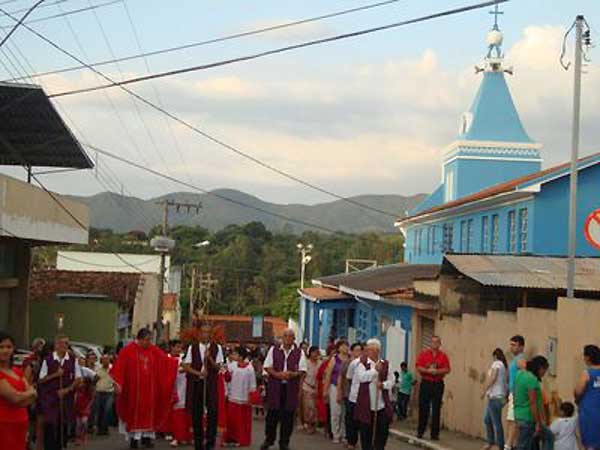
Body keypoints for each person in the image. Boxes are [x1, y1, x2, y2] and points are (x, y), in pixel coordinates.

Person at [110, 328, 178, 449]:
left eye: (150, 340)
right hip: (134, 391)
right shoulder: (128, 350)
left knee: (149, 415)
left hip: (150, 391)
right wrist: (118, 384)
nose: (149, 342)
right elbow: (119, 367)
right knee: (134, 415)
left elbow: (166, 361)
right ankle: (134, 440)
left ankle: (147, 438)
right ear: (139, 339)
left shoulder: (153, 349)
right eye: (147, 340)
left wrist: (177, 363)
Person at [260, 328, 307, 450]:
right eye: (285, 336)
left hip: (290, 387)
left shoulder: (299, 352)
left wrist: (292, 374)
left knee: (288, 416)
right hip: (276, 387)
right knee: (272, 415)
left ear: (294, 339)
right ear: (282, 338)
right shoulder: (274, 350)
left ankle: (284, 442)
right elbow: (267, 366)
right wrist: (277, 374)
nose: (287, 338)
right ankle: (269, 439)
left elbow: (302, 370)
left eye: (290, 336)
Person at [37, 334, 83, 450]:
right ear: (56, 345)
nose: (65, 345)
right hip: (50, 399)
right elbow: (41, 380)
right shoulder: (48, 360)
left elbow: (78, 379)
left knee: (63, 425)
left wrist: (67, 389)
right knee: (50, 425)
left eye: (67, 343)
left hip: (66, 399)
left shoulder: (72, 360)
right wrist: (55, 375)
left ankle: (60, 446)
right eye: (63, 343)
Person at [183, 324, 225, 450]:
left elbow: (219, 367)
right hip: (197, 383)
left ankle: (210, 443)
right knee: (197, 414)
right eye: (203, 332)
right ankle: (198, 443)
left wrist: (210, 358)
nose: (205, 335)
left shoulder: (217, 348)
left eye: (208, 332)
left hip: (211, 384)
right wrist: (198, 373)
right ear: (199, 333)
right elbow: (186, 366)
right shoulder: (193, 347)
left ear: (211, 334)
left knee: (212, 412)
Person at [353, 338, 394, 450]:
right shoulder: (361, 363)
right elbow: (362, 377)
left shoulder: (386, 364)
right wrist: (375, 371)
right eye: (368, 349)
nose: (369, 352)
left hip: (381, 405)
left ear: (378, 351)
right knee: (366, 434)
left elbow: (392, 381)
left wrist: (383, 385)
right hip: (366, 405)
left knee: (382, 433)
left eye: (372, 350)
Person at [0, 331, 37, 450]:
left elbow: (32, 396)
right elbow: (15, 398)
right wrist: (28, 394)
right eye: (1, 347)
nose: (5, 350)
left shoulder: (17, 370)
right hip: (4, 425)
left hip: (21, 424)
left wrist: (23, 397)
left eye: (8, 347)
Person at [513, 355, 553, 450]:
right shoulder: (532, 380)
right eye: (544, 370)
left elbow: (514, 394)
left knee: (534, 442)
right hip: (528, 418)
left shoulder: (519, 374)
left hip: (519, 415)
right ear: (540, 368)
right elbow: (533, 403)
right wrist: (537, 422)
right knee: (524, 445)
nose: (544, 374)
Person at [416, 336, 451, 440]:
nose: (435, 344)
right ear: (430, 343)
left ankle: (434, 434)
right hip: (426, 383)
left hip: (438, 384)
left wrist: (437, 371)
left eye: (437, 342)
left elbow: (447, 369)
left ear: (440, 344)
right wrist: (428, 371)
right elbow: (418, 366)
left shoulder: (443, 356)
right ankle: (420, 431)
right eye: (433, 342)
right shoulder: (424, 354)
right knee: (423, 407)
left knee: (436, 409)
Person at [223, 347, 257, 447]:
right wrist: (225, 372)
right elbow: (227, 379)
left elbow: (252, 384)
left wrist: (251, 397)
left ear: (241, 356)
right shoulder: (232, 366)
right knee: (231, 420)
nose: (233, 356)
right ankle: (231, 439)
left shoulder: (250, 368)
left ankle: (241, 439)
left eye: (235, 354)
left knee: (242, 421)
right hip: (232, 397)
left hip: (244, 399)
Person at [574, 344, 600, 450]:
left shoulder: (587, 373)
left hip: (589, 412)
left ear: (588, 357)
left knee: (590, 443)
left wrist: (577, 399)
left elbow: (578, 391)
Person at [482, 348, 508, 450]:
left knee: (496, 422)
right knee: (487, 419)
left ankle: (499, 445)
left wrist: (485, 390)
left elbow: (493, 377)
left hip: (496, 397)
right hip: (497, 397)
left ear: (495, 356)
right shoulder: (504, 366)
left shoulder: (497, 363)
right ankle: (491, 442)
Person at [324, 339, 350, 443]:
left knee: (345, 412)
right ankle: (335, 434)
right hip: (334, 386)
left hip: (346, 388)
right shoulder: (334, 359)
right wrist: (326, 390)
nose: (345, 348)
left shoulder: (350, 359)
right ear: (338, 348)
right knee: (335, 411)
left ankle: (344, 434)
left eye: (346, 345)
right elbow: (328, 374)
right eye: (343, 346)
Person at [169, 340, 192, 448]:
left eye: (181, 348)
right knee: (177, 416)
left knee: (186, 416)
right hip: (176, 391)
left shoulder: (184, 358)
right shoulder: (168, 358)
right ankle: (176, 437)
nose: (179, 349)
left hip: (186, 390)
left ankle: (185, 437)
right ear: (172, 347)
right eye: (177, 347)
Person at [506, 335, 527, 450]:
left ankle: (509, 445)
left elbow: (525, 373)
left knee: (513, 420)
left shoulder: (520, 359)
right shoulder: (516, 359)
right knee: (511, 420)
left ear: (521, 347)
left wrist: (518, 391)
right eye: (511, 344)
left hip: (516, 394)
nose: (511, 347)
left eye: (514, 345)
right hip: (513, 393)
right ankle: (512, 445)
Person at [345, 342, 364, 450]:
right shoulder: (354, 363)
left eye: (360, 350)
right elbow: (349, 378)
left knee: (362, 421)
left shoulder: (371, 363)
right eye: (356, 350)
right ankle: (351, 441)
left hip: (364, 398)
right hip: (353, 396)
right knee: (351, 420)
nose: (359, 353)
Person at [93, 354, 114, 436]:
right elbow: (94, 379)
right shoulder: (98, 368)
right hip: (99, 391)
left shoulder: (112, 368)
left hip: (109, 392)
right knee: (99, 410)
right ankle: (100, 429)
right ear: (101, 361)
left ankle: (105, 428)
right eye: (104, 360)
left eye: (107, 359)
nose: (105, 361)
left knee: (107, 410)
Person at [301, 346, 320, 434]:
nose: (316, 354)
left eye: (317, 352)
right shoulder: (306, 363)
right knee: (308, 407)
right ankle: (308, 424)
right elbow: (302, 376)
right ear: (310, 353)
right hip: (307, 387)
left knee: (315, 408)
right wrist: (300, 389)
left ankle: (313, 425)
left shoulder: (320, 363)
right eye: (314, 352)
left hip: (317, 388)